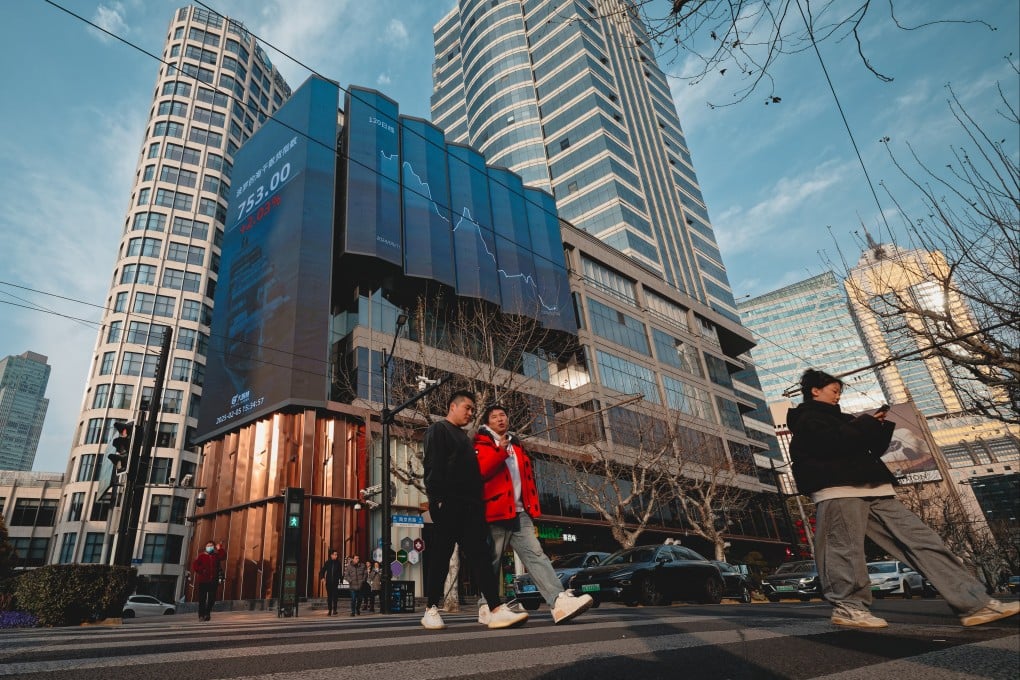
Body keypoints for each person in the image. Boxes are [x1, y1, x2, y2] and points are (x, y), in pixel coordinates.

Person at [788, 368, 1019, 629]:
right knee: (844, 550)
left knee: (923, 541)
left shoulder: (844, 420)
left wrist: (878, 425)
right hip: (839, 490)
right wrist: (865, 423)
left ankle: (975, 603)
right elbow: (833, 444)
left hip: (875, 489)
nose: (837, 396)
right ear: (815, 391)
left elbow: (867, 448)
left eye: (839, 392)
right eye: (833, 391)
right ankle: (849, 607)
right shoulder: (807, 418)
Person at [474, 404, 593, 624]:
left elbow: (526, 478)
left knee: (536, 555)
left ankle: (558, 601)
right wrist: (499, 450)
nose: (500, 419)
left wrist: (531, 504)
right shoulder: (481, 443)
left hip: (520, 512)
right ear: (487, 423)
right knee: (492, 561)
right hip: (495, 512)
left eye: (503, 415)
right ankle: (486, 606)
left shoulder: (516, 445)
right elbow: (481, 472)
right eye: (494, 417)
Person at [421, 389, 529, 630]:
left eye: (472, 409)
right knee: (441, 556)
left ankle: (495, 609)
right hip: (447, 504)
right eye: (467, 408)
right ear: (452, 407)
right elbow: (432, 465)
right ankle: (430, 609)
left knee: (480, 557)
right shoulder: (439, 430)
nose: (471, 413)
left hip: (471, 508)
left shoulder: (465, 439)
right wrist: (437, 500)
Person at [191, 540, 226, 621]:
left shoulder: (216, 556)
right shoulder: (201, 556)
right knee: (202, 599)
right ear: (206, 547)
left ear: (213, 547)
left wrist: (219, 548)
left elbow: (223, 556)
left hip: (213, 581)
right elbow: (195, 565)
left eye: (211, 545)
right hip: (203, 581)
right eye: (208, 545)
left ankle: (207, 613)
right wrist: (201, 570)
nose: (209, 547)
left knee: (212, 599)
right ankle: (201, 615)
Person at [319, 549, 342, 616]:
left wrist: (340, 580)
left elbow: (340, 573)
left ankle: (334, 609)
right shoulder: (328, 562)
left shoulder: (338, 563)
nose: (336, 556)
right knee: (329, 597)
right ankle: (329, 610)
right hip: (328, 582)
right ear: (331, 555)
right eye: (335, 554)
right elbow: (322, 571)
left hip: (335, 582)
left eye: (337, 555)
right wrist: (322, 578)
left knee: (335, 596)